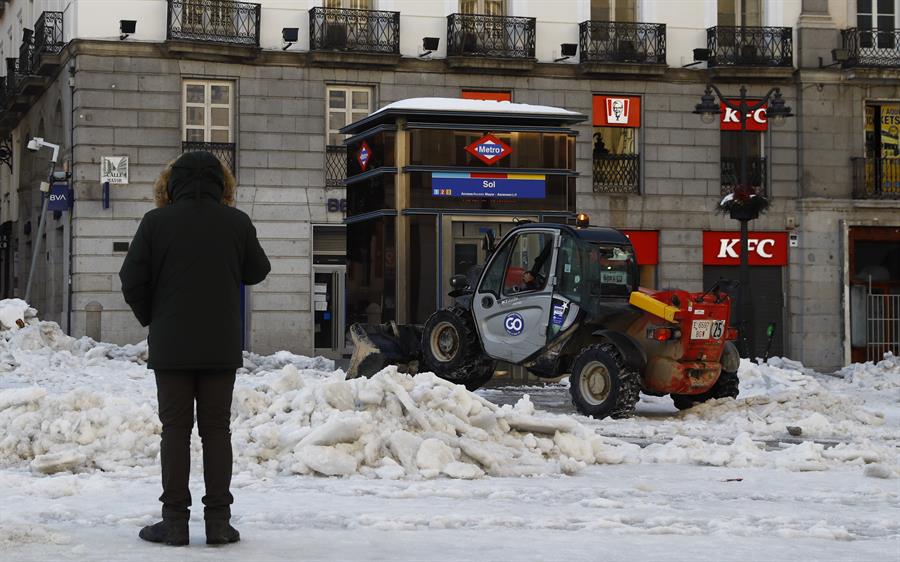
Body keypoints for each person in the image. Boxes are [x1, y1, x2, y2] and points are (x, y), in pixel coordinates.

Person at [119, 151, 271, 547]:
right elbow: (258, 270)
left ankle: (174, 522)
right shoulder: (236, 222)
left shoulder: (156, 222)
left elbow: (131, 279)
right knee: (217, 431)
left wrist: (155, 315)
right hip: (220, 344)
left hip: (171, 346)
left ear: (170, 184)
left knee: (175, 431)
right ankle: (219, 522)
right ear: (224, 183)